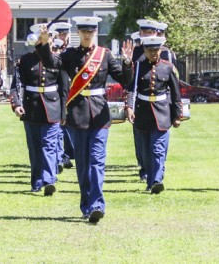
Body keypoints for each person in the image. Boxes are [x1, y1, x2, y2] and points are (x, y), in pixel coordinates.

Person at [59, 16, 133, 223]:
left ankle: (97, 205)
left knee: (97, 161)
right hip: (77, 114)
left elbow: (125, 80)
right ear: (78, 32)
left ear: (95, 32)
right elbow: (51, 63)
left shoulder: (105, 55)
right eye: (83, 31)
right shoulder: (70, 55)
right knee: (82, 164)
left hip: (99, 115)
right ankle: (86, 205)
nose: (87, 35)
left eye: (90, 31)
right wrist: (44, 43)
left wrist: (127, 62)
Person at [9, 24, 64, 196]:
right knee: (35, 148)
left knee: (49, 145)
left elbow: (63, 88)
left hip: (52, 107)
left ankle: (49, 180)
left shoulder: (57, 60)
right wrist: (17, 104)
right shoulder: (25, 60)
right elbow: (17, 85)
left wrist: (64, 113)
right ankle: (37, 181)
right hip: (31, 108)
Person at [125, 36, 183, 194]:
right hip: (143, 113)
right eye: (150, 50)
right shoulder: (137, 67)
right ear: (144, 50)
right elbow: (131, 89)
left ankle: (157, 180)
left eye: (156, 50)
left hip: (162, 113)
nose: (154, 53)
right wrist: (129, 107)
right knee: (146, 152)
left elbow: (176, 93)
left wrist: (177, 115)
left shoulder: (168, 67)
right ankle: (151, 181)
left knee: (158, 149)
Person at [50, 21, 75, 169]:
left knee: (71, 124)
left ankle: (70, 152)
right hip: (58, 92)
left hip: (72, 91)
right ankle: (61, 155)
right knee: (59, 126)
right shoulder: (54, 50)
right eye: (61, 33)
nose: (63, 36)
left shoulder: (71, 52)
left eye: (65, 33)